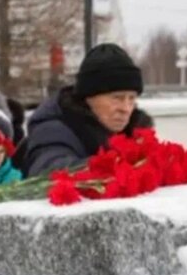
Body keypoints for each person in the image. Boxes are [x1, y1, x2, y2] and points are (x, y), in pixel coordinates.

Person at [19, 43, 153, 177]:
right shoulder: (52, 131)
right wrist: (120, 165)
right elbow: (50, 173)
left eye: (131, 98)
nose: (126, 108)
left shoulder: (135, 131)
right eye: (117, 98)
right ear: (89, 97)